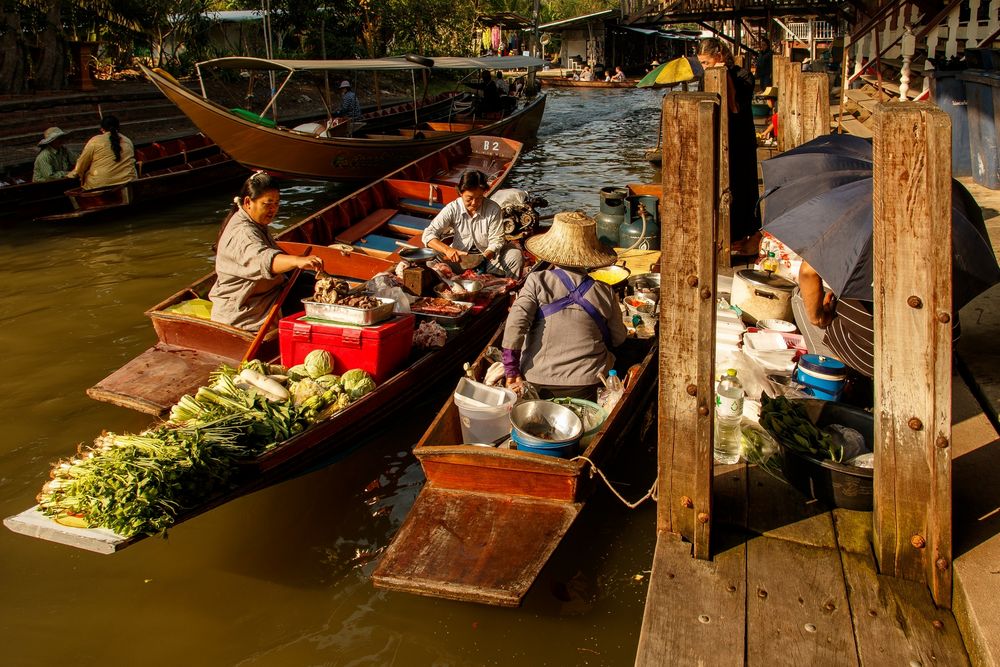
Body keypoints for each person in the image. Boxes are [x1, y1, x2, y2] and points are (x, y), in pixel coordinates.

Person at [501, 211, 627, 401]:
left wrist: (511, 370)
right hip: (588, 384)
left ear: (552, 254)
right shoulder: (605, 291)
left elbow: (515, 325)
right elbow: (618, 339)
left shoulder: (537, 281)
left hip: (537, 382)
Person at [209, 172, 324, 331]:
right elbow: (265, 260)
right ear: (248, 202)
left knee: (315, 285)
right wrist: (298, 261)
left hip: (267, 293)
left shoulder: (254, 221)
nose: (273, 210)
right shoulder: (243, 233)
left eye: (276, 203)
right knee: (317, 304)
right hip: (246, 312)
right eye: (267, 204)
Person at [697, 37, 760, 256]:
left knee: (744, 187)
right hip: (716, 140)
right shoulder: (705, 79)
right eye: (702, 64)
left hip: (740, 140)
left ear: (720, 55)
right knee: (717, 187)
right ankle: (723, 236)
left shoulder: (743, 76)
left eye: (707, 62)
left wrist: (723, 75)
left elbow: (734, 107)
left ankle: (747, 237)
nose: (705, 68)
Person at [421, 169, 523, 278]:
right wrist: (448, 250)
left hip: (488, 261)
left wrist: (484, 258)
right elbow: (428, 234)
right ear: (461, 193)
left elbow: (496, 240)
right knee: (429, 263)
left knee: (515, 256)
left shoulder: (493, 209)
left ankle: (509, 289)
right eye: (469, 198)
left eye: (479, 198)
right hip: (459, 260)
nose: (474, 203)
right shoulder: (453, 208)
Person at [68, 115, 136, 190]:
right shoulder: (127, 140)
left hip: (101, 184)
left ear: (102, 129)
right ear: (118, 127)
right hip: (128, 181)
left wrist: (73, 174)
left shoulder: (95, 141)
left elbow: (82, 163)